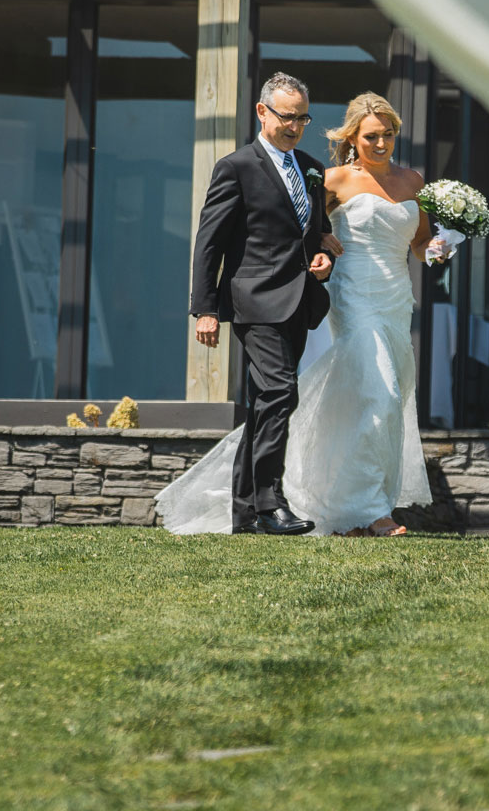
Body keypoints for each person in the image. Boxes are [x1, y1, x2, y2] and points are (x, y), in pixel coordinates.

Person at [160, 90, 454, 537]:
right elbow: (261, 232)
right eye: (372, 136)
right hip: (352, 298)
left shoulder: (407, 181)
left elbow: (414, 241)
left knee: (371, 401)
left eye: (388, 135)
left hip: (396, 299)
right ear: (352, 137)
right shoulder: (331, 178)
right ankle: (369, 512)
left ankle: (291, 504)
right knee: (379, 394)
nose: (380, 144)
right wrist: (206, 306)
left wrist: (436, 249)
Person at [183, 72, 338, 534]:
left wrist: (324, 259)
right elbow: (208, 243)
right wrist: (204, 308)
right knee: (279, 392)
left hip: (298, 302)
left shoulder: (311, 167)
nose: (294, 126)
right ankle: (271, 504)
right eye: (286, 116)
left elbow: (317, 233)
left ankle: (245, 512)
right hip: (253, 300)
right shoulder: (236, 167)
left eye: (302, 118)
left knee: (264, 403)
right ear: (262, 112)